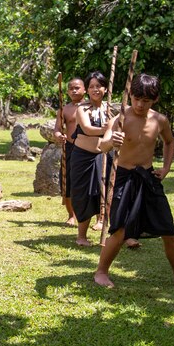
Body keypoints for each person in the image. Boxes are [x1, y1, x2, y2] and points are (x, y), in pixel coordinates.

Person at [93, 74, 174, 293]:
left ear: (155, 99)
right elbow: (101, 146)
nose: (140, 105)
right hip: (123, 178)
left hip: (148, 178)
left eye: (146, 101)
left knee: (169, 230)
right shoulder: (119, 118)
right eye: (137, 98)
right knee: (120, 231)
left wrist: (166, 167)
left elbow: (169, 142)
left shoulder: (159, 120)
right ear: (130, 95)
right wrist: (112, 141)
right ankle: (101, 272)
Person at [67, 71, 112, 246]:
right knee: (83, 194)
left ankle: (108, 227)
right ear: (87, 90)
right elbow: (87, 128)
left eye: (98, 86)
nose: (95, 89)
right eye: (92, 86)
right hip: (82, 158)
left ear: (105, 89)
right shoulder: (81, 109)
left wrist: (114, 126)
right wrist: (109, 128)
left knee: (105, 192)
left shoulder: (110, 110)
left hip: (104, 155)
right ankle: (81, 236)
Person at [54, 77, 87, 226]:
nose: (74, 90)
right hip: (70, 147)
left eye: (77, 88)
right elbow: (57, 129)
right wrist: (59, 135)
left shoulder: (91, 107)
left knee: (92, 183)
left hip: (89, 148)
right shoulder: (64, 109)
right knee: (68, 182)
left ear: (84, 90)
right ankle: (71, 215)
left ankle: (99, 217)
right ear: (67, 91)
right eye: (71, 88)